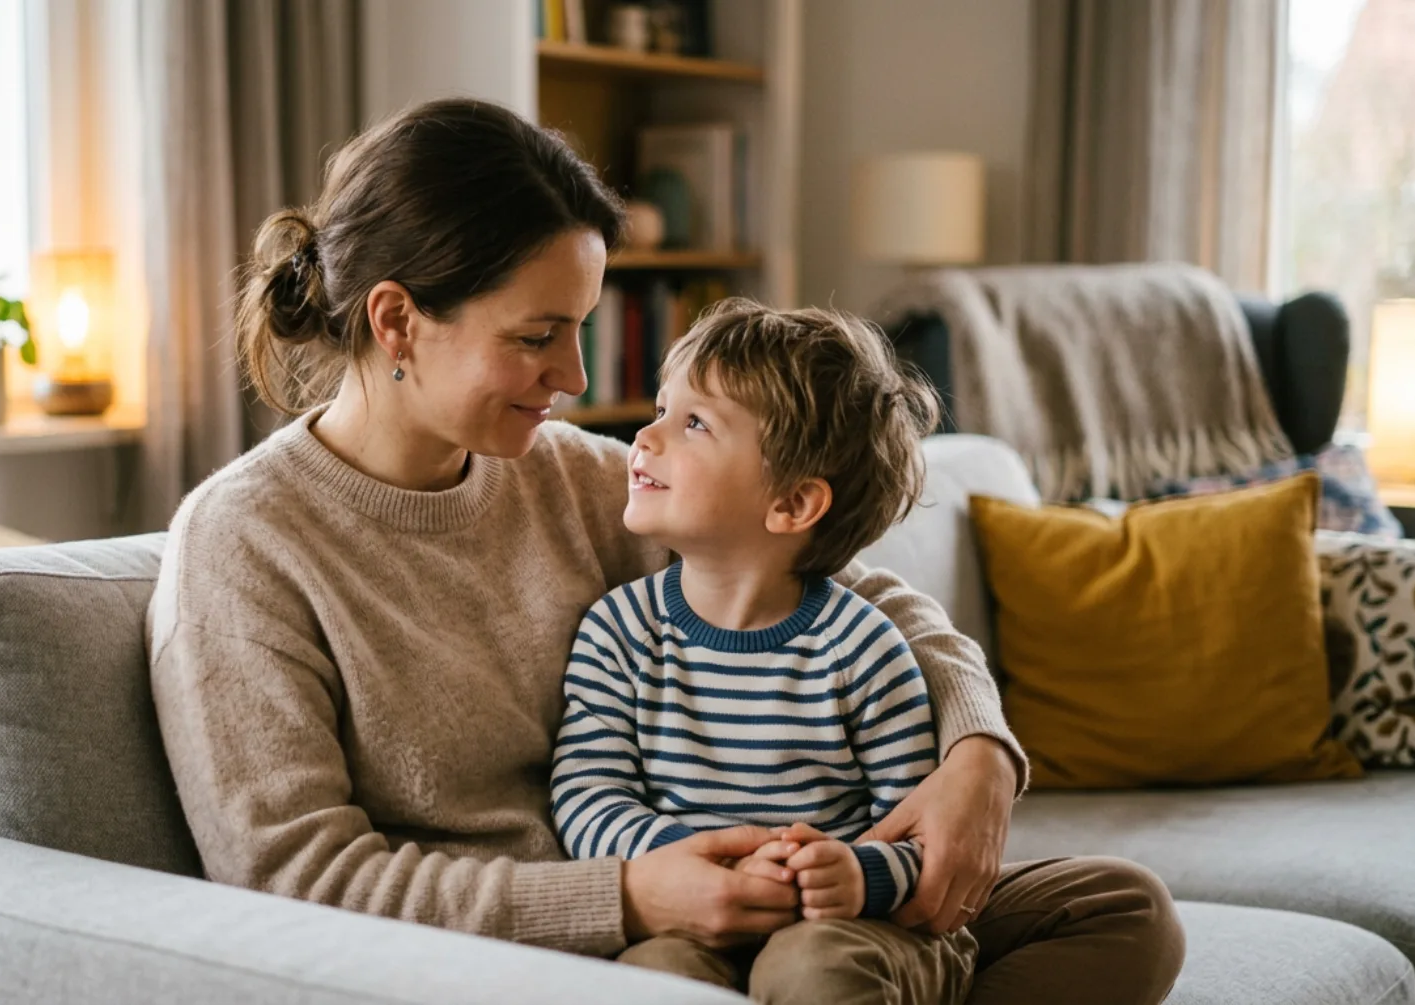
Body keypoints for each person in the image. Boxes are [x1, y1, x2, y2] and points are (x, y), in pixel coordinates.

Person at [146, 96, 1184, 1003]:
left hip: (763, 902)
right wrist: (627, 894)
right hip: (554, 950)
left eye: (581, 327)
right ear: (398, 321)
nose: (576, 373)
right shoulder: (246, 545)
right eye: (537, 334)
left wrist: (977, 753)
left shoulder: (568, 476)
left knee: (1123, 913)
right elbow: (299, 883)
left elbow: (848, 585)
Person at [552, 299, 975, 1002]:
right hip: (683, 921)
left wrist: (854, 871)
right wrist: (688, 863)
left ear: (792, 505)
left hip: (829, 928)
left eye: (693, 423)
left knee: (811, 969)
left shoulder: (866, 650)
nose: (645, 437)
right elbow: (586, 793)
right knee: (651, 978)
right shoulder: (616, 631)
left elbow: (919, 835)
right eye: (662, 406)